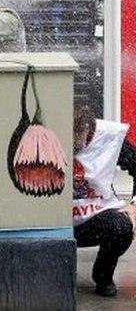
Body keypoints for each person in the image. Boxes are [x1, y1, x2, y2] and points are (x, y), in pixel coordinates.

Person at [73, 106, 136, 297]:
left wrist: (134, 205)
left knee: (123, 227)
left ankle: (103, 275)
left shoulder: (109, 138)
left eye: (75, 146)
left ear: (87, 130)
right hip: (53, 220)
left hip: (94, 217)